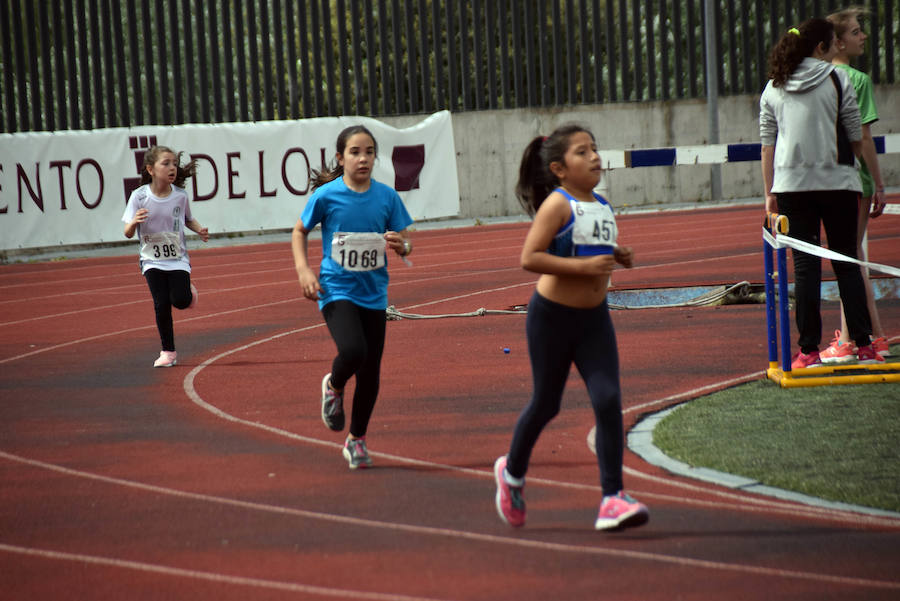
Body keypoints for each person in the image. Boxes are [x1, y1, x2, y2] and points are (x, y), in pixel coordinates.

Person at [493, 124, 648, 531]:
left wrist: (617, 254)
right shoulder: (557, 205)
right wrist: (582, 268)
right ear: (560, 168)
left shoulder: (601, 204)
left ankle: (612, 497)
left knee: (608, 399)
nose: (595, 156)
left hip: (594, 319)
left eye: (595, 149)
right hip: (552, 319)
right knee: (547, 404)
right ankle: (512, 474)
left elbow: (590, 246)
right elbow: (530, 257)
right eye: (583, 152)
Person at [759, 18, 882, 370]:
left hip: (792, 187)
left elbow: (768, 146)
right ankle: (864, 346)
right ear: (821, 48)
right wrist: (849, 164)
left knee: (805, 268)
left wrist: (769, 194)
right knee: (846, 261)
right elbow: (854, 133)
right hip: (839, 182)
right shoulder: (837, 78)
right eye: (832, 43)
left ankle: (808, 351)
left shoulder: (774, 86)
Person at [291, 125, 413, 470]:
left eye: (369, 152)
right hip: (336, 289)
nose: (363, 158)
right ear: (341, 157)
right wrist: (304, 271)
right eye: (356, 152)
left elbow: (406, 241)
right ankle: (334, 383)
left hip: (373, 293)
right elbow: (299, 231)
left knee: (371, 372)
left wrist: (401, 245)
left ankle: (356, 440)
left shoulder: (387, 197)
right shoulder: (327, 196)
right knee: (353, 351)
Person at [819, 7, 890, 363]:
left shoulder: (816, 77)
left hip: (824, 176)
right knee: (851, 257)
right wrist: (878, 182)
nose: (863, 37)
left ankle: (861, 337)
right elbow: (863, 136)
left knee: (849, 257)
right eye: (856, 32)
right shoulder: (855, 80)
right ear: (839, 43)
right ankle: (866, 338)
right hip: (854, 175)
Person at [123, 146, 207, 368]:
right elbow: (128, 232)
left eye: (174, 164)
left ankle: (188, 294)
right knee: (161, 304)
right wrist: (133, 222)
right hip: (151, 260)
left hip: (177, 258)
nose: (172, 168)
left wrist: (199, 230)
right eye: (166, 163)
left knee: (180, 300)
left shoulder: (180, 196)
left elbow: (188, 219)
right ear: (151, 169)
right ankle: (168, 352)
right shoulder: (139, 197)